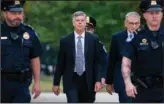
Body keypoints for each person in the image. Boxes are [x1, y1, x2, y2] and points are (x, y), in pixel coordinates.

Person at [52, 11, 102, 103]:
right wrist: (56, 83)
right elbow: (60, 63)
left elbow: (97, 62)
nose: (80, 22)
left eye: (82, 20)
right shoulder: (65, 40)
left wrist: (98, 80)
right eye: (77, 20)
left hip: (88, 79)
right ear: (73, 23)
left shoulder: (93, 39)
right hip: (71, 79)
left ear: (85, 23)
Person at [121, 0, 164, 102]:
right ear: (145, 15)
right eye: (151, 13)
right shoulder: (135, 38)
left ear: (162, 14)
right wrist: (127, 84)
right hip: (143, 89)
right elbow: (126, 63)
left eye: (157, 13)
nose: (154, 16)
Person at [1, 0, 43, 103]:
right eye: (13, 13)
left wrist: (37, 82)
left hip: (22, 85)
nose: (18, 16)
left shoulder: (29, 33)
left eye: (20, 13)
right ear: (5, 13)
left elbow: (35, 58)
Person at [106, 12, 141, 103]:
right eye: (131, 23)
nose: (133, 26)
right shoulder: (117, 37)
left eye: (136, 23)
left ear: (139, 23)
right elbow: (112, 60)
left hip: (140, 79)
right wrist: (109, 82)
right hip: (121, 79)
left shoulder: (144, 37)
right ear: (125, 23)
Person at [85, 16, 108, 102]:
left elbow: (105, 61)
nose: (86, 31)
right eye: (84, 28)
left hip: (91, 79)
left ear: (93, 30)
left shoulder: (99, 44)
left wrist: (103, 76)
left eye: (89, 28)